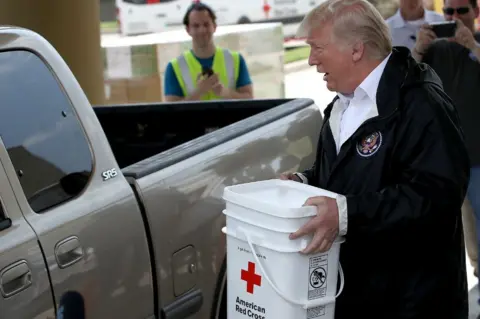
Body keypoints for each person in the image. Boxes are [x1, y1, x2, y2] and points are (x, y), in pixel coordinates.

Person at [281, 0, 470, 318]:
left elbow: (436, 197)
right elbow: (354, 174)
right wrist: (305, 181)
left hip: (413, 302)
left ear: (355, 49)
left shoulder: (422, 104)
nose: (311, 60)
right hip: (359, 295)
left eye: (318, 48)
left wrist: (346, 213)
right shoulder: (342, 104)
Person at [412, 0, 480, 300]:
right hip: (444, 162)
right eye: (448, 12)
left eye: (461, 11)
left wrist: (474, 46)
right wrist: (417, 51)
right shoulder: (434, 52)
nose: (454, 18)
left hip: (479, 160)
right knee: (455, 234)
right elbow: (401, 90)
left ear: (476, 13)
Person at [163, 2, 253, 102]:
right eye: (196, 26)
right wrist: (199, 91)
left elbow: (250, 98)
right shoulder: (174, 67)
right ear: (188, 30)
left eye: (206, 24)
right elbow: (170, 110)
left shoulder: (236, 59)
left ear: (214, 26)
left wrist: (225, 93)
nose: (202, 30)